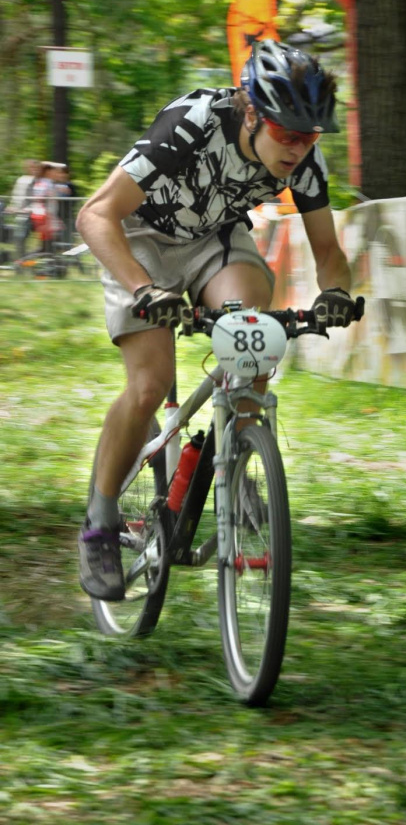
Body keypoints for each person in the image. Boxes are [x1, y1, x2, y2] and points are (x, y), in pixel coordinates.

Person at [76, 39, 357, 602]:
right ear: (252, 113)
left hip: (213, 240)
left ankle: (242, 456)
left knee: (252, 327)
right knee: (150, 383)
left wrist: (336, 293)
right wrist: (143, 288)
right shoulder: (193, 124)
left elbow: (328, 249)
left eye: (310, 137)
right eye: (288, 134)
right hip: (140, 240)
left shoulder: (304, 160)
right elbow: (95, 214)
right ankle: (99, 525)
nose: (299, 149)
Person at [7, 159, 42, 257]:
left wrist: (31, 208)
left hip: (36, 214)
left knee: (43, 242)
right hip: (22, 214)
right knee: (19, 238)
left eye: (36, 168)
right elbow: (17, 195)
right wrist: (13, 206)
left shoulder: (41, 181)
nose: (34, 170)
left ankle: (32, 260)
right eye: (31, 167)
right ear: (26, 168)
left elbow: (38, 198)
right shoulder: (22, 179)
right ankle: (21, 262)